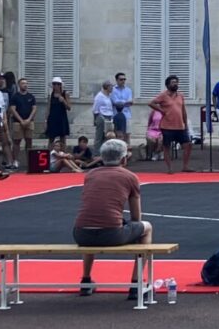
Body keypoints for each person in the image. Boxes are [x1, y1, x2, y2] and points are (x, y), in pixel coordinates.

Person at [71, 139, 152, 294]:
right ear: (123, 159)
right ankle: (136, 282)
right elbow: (136, 216)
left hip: (81, 234)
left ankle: (86, 279)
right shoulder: (130, 177)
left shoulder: (90, 175)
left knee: (92, 223)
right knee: (146, 227)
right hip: (111, 234)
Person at [149, 75, 193, 174]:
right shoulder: (163, 95)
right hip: (167, 126)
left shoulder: (180, 95)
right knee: (166, 147)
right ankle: (169, 168)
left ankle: (185, 166)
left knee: (188, 145)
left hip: (180, 126)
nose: (176, 84)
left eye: (176, 82)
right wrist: (161, 110)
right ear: (168, 84)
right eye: (173, 82)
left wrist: (185, 124)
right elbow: (151, 103)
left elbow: (183, 110)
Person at [9, 77, 38, 160]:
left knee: (29, 142)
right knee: (16, 142)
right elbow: (13, 109)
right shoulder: (15, 97)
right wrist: (21, 120)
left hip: (29, 122)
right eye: (23, 83)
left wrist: (29, 119)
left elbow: (34, 108)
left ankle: (30, 161)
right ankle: (15, 161)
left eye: (26, 83)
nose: (25, 85)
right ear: (19, 85)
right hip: (18, 123)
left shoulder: (31, 96)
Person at [45, 78, 73, 147]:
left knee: (62, 139)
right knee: (51, 139)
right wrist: (46, 120)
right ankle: (50, 155)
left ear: (61, 85)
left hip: (62, 118)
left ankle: (63, 155)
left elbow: (69, 107)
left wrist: (63, 100)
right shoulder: (51, 95)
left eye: (58, 84)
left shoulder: (65, 93)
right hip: (52, 118)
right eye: (54, 84)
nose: (56, 86)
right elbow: (48, 108)